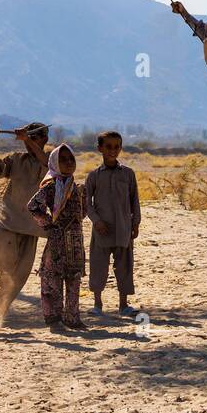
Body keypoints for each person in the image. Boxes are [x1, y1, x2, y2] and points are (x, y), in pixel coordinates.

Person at [0, 121, 51, 325]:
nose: (31, 141)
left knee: (16, 277)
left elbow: (49, 165)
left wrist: (27, 139)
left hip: (32, 229)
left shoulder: (51, 160)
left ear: (44, 139)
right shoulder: (17, 159)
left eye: (35, 137)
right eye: (29, 136)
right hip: (7, 224)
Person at [28, 143, 87, 330]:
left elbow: (82, 211)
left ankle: (72, 318)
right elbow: (33, 206)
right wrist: (48, 223)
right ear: (54, 162)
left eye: (71, 159)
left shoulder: (77, 188)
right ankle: (54, 320)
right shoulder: (51, 187)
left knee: (74, 279)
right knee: (52, 279)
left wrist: (73, 224)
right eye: (63, 159)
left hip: (75, 241)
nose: (69, 162)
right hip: (56, 241)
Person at [85, 131, 141, 317]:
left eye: (116, 146)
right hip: (101, 230)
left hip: (123, 228)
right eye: (108, 147)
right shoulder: (93, 176)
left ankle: (123, 305)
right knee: (98, 265)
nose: (112, 150)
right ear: (100, 148)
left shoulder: (128, 173)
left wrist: (135, 223)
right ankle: (97, 304)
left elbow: (135, 200)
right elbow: (87, 203)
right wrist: (96, 221)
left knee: (124, 266)